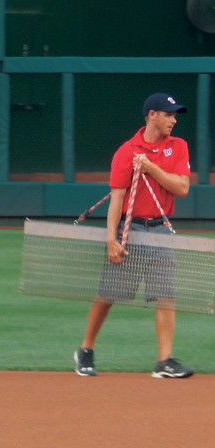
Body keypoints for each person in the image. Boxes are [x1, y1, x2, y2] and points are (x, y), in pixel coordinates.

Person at [75, 94, 195, 380]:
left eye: (175, 115)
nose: (173, 120)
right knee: (109, 294)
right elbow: (116, 199)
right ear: (152, 115)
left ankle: (164, 361)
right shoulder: (126, 151)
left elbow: (182, 188)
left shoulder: (178, 146)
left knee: (167, 295)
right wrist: (110, 239)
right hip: (131, 230)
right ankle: (85, 349)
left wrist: (151, 168)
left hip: (161, 229)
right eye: (169, 114)